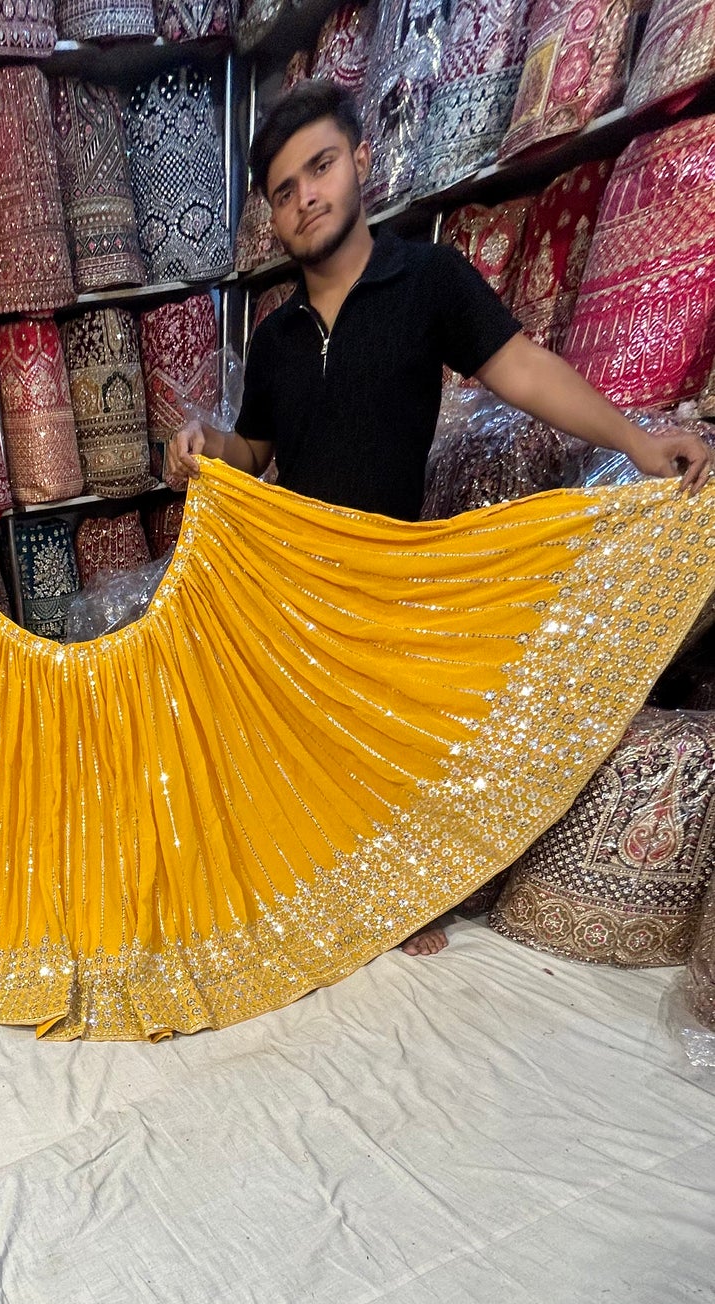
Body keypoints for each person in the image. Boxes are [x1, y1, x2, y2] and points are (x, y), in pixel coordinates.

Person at [165, 80, 712, 956]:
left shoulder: (426, 280)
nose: (306, 196)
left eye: (320, 167)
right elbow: (255, 454)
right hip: (297, 586)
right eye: (283, 189)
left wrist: (639, 441)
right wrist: (205, 445)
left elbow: (523, 372)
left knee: (394, 740)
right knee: (282, 744)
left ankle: (396, 897)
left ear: (360, 165)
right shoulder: (272, 335)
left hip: (392, 570)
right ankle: (297, 883)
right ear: (270, 215)